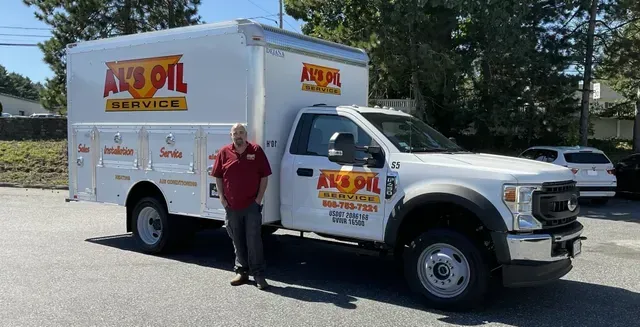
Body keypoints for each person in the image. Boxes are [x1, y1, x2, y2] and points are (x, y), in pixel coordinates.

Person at [211, 123, 272, 290]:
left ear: (246, 135)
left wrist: (258, 199)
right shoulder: (224, 152)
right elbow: (218, 176)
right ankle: (241, 272)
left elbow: (264, 176)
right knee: (237, 240)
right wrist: (222, 199)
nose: (238, 135)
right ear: (231, 136)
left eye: (241, 132)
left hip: (251, 206)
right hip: (231, 207)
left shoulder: (256, 151)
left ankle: (259, 275)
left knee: (254, 241)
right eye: (235, 133)